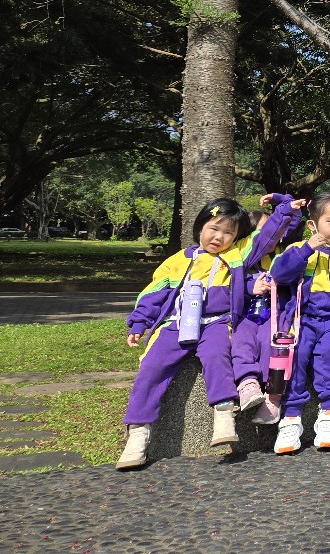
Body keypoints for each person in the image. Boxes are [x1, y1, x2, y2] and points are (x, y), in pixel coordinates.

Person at [117, 196, 293, 470]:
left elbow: (266, 236)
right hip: (175, 323)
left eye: (228, 233)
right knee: (152, 367)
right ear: (200, 226)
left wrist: (285, 207)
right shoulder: (177, 261)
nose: (219, 237)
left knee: (217, 354)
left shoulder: (236, 256)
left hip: (216, 322)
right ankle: (138, 433)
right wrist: (139, 322)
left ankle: (223, 415)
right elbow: (154, 293)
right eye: (214, 228)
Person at [268, 192, 330, 455]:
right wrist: (306, 249)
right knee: (297, 357)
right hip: (303, 319)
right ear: (313, 225)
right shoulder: (299, 248)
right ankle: (291, 418)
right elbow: (280, 274)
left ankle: (329, 414)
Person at [230, 196, 306, 426]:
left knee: (273, 345)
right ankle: (247, 383)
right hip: (248, 313)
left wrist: (284, 202)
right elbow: (233, 283)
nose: (274, 233)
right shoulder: (242, 255)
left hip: (275, 313)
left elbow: (292, 221)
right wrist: (250, 287)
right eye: (266, 228)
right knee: (242, 341)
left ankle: (273, 396)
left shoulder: (283, 250)